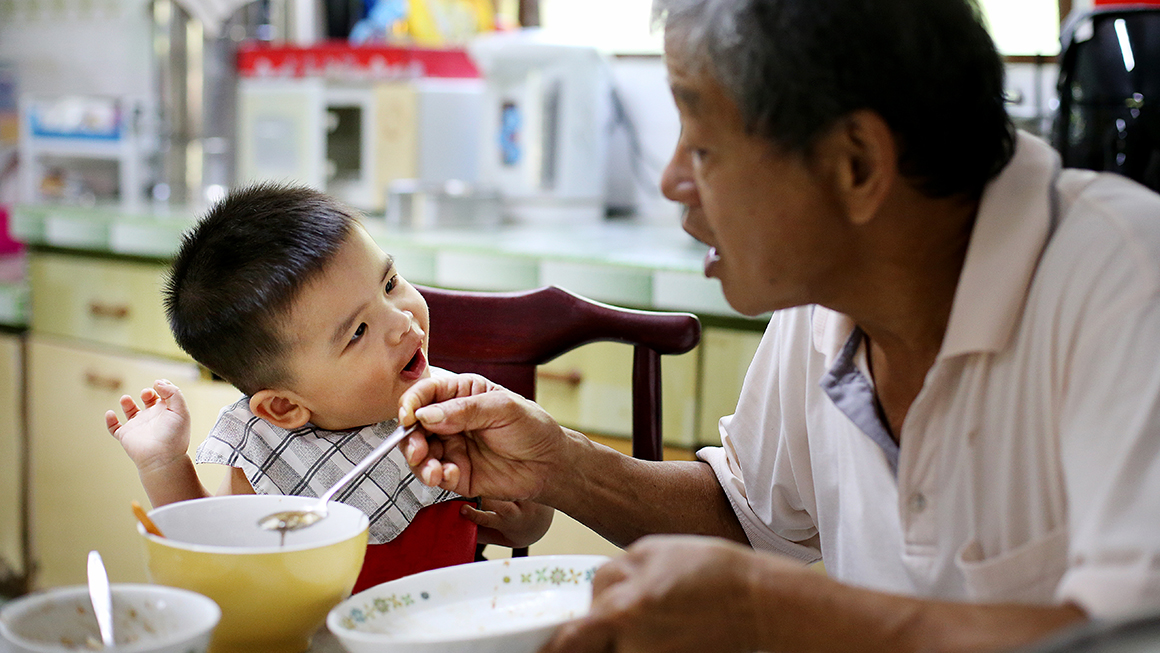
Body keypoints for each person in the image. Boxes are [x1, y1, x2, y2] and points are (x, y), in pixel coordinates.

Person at [392, 0, 1160, 650]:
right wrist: (563, 464)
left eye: (702, 144)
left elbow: (1131, 631)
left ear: (855, 164)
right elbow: (749, 514)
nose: (670, 181)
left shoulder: (1126, 280)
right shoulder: (829, 289)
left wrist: (785, 614)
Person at [104, 183, 552, 592]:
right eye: (357, 331)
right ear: (282, 407)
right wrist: (164, 464)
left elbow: (521, 528)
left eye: (390, 284)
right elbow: (210, 551)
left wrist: (525, 519)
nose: (401, 322)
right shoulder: (268, 453)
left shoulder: (458, 409)